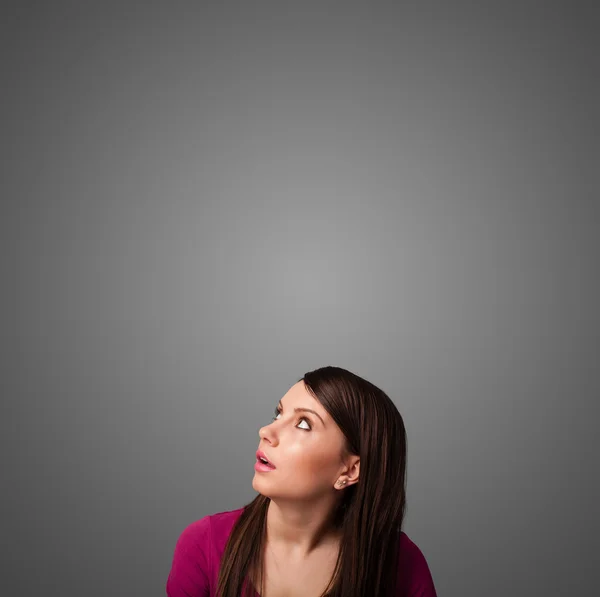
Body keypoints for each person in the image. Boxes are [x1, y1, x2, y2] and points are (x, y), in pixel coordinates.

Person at [166, 365, 438, 597]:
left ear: (350, 470)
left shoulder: (401, 565)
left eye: (304, 424)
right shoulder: (203, 545)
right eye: (278, 413)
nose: (266, 431)